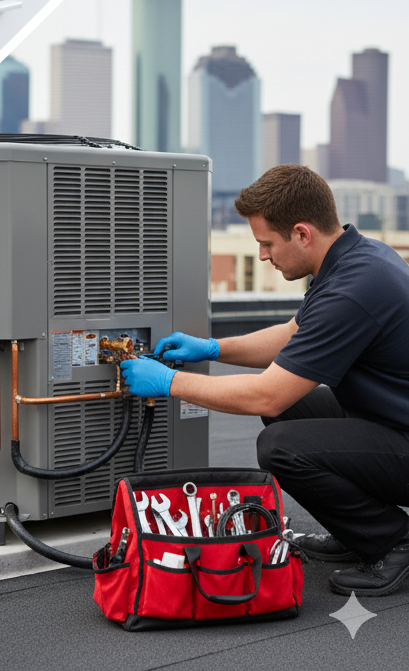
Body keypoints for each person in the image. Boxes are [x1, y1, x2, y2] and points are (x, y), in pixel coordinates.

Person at [121, 165, 409, 597]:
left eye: (266, 243)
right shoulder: (356, 257)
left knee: (280, 447)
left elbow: (268, 395)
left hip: (400, 436)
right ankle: (359, 534)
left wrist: (167, 383)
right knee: (296, 410)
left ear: (302, 233)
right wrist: (213, 348)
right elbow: (295, 335)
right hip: (388, 421)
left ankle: (395, 541)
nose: (262, 256)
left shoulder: (351, 289)